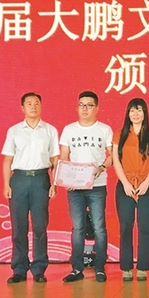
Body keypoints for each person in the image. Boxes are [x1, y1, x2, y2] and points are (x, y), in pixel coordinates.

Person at [1, 92, 59, 284]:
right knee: (19, 227)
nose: (33, 106)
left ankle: (39, 269)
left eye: (36, 103)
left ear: (41, 106)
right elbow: (7, 160)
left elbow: (55, 160)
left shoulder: (50, 130)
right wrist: (6, 184)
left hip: (41, 179)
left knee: (40, 226)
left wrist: (54, 183)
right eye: (29, 104)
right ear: (22, 108)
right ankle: (19, 269)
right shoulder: (14, 131)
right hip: (19, 179)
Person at [58, 91, 113, 283]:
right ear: (77, 107)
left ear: (97, 108)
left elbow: (113, 155)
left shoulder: (104, 129)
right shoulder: (69, 130)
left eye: (89, 105)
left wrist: (102, 167)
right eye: (81, 105)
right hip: (75, 188)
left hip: (97, 186)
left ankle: (100, 267)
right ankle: (76, 268)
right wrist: (67, 178)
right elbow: (63, 156)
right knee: (78, 228)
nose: (85, 109)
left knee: (99, 227)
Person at [112, 98, 149, 281]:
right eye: (132, 110)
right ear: (128, 113)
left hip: (146, 185)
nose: (136, 114)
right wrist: (125, 183)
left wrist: (147, 182)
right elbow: (116, 160)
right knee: (125, 226)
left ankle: (142, 267)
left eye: (139, 110)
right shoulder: (120, 134)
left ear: (145, 113)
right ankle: (126, 267)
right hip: (125, 185)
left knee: (145, 226)